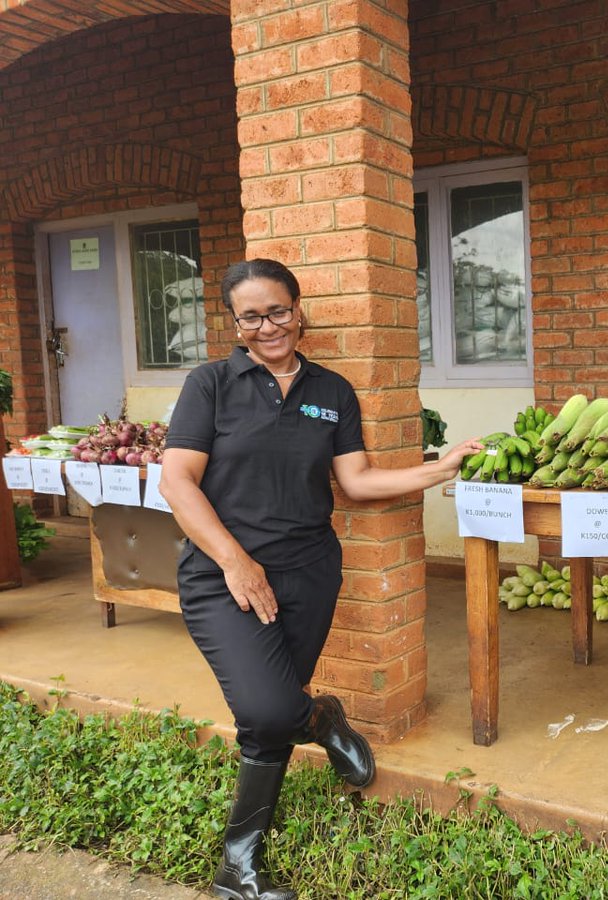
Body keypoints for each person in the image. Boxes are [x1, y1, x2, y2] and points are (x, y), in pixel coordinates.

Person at [159, 258, 482, 900]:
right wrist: (235, 560)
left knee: (266, 720)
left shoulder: (331, 391)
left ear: (298, 309)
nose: (267, 326)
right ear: (235, 323)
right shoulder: (211, 384)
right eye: (251, 316)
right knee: (269, 706)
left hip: (309, 570)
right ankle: (323, 718)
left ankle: (237, 867)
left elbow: (357, 482)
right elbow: (176, 480)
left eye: (278, 310)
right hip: (223, 574)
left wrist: (439, 470)